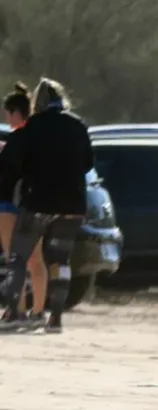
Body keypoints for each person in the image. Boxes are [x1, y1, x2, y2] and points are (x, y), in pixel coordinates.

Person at [0, 78, 93, 333]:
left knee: (18, 257)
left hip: (38, 203)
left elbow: (11, 162)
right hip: (73, 205)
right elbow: (87, 164)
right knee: (60, 262)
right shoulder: (78, 126)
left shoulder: (33, 127)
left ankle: (14, 314)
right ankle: (54, 319)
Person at [0, 82, 47, 325]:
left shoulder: (17, 139)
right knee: (35, 259)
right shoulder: (40, 138)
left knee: (13, 258)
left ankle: (15, 310)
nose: (7, 119)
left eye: (7, 114)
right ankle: (38, 311)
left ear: (15, 113)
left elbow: (6, 171)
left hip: (10, 204)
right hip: (36, 204)